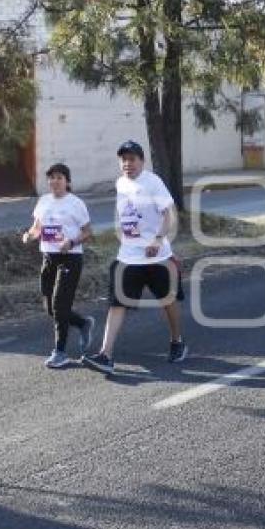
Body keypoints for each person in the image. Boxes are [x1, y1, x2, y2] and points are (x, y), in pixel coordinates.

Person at [82, 140, 186, 374]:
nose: (127, 163)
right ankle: (105, 355)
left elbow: (168, 213)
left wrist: (158, 239)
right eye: (123, 159)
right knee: (117, 303)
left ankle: (177, 341)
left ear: (142, 161)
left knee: (167, 301)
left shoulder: (152, 181)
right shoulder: (120, 183)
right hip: (128, 256)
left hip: (157, 256)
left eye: (132, 159)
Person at [22, 163, 95, 368]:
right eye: (51, 178)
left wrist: (71, 242)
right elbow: (37, 228)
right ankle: (82, 323)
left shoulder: (76, 204)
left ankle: (60, 352)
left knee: (60, 305)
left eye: (59, 177)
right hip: (48, 258)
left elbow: (88, 231)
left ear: (67, 181)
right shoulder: (43, 201)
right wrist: (29, 235)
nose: (54, 181)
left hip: (70, 258)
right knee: (50, 308)